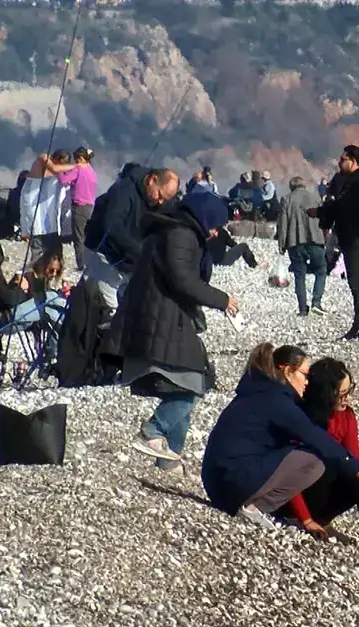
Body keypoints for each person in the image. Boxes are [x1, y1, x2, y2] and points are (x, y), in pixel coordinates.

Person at [201, 343, 359, 536]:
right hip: (230, 482)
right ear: (287, 371)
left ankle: (264, 509)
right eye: (304, 375)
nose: (307, 382)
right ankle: (259, 509)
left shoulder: (263, 392)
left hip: (219, 481)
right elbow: (319, 441)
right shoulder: (279, 402)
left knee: (350, 464)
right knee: (316, 459)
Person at [105, 191, 238, 473]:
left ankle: (169, 460)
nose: (215, 232)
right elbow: (183, 280)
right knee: (191, 386)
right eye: (215, 225)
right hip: (162, 318)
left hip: (163, 316)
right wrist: (222, 300)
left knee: (184, 384)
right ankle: (152, 431)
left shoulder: (175, 230)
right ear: (204, 217)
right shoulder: (180, 234)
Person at [299, 358, 359, 547]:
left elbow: (356, 464)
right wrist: (304, 520)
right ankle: (304, 519)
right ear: (326, 395)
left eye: (349, 391)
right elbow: (287, 473)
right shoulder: (302, 419)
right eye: (342, 394)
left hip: (323, 487)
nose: (348, 399)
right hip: (297, 491)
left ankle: (321, 519)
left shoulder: (346, 416)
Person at [83, 166, 180, 321]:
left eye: (165, 200)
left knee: (131, 306)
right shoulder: (123, 190)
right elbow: (111, 226)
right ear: (152, 180)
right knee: (107, 308)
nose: (160, 202)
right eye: (160, 195)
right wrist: (139, 251)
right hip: (104, 255)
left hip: (129, 262)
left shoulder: (157, 202)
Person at [318, 146, 359, 340]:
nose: (339, 162)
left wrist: (322, 213)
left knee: (357, 282)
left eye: (343, 159)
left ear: (353, 161)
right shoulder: (347, 181)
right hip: (352, 237)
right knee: (354, 281)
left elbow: (343, 208)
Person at [277, 176, 327, 317]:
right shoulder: (314, 198)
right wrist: (325, 239)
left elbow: (283, 225)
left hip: (295, 242)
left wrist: (282, 245)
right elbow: (323, 220)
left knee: (300, 275)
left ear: (291, 187)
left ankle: (303, 309)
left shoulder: (286, 199)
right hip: (316, 240)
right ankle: (316, 302)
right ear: (304, 186)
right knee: (321, 270)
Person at [46, 147, 97, 271]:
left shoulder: (78, 169)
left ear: (79, 158)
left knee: (78, 238)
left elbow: (64, 180)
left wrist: (59, 169)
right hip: (90, 206)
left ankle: (81, 264)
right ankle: (90, 262)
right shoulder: (92, 171)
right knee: (87, 235)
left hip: (79, 207)